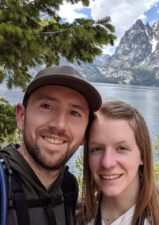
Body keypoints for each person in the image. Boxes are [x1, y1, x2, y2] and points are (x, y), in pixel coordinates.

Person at [0, 65, 102, 225]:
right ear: (21, 116)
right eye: (46, 106)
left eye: (75, 113)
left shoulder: (68, 187)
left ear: (85, 134)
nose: (59, 125)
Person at [77, 100, 159, 225]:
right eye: (97, 149)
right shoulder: (75, 216)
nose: (107, 163)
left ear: (142, 154)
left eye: (122, 148)